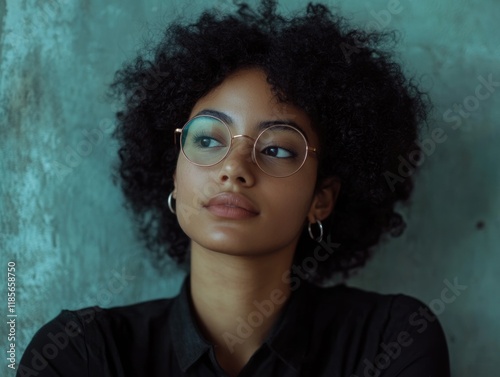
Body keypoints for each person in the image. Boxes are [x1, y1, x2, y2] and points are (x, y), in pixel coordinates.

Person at [17, 1, 450, 376]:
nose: (234, 169)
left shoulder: (390, 341)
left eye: (278, 150)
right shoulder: (82, 352)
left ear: (321, 199)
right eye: (207, 140)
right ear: (174, 173)